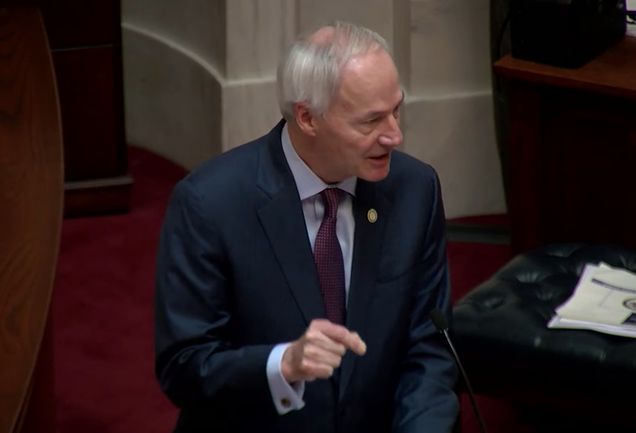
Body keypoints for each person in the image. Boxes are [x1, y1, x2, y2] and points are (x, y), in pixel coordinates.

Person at [154, 20, 459, 433]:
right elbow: (185, 366)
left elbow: (429, 348)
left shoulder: (414, 190)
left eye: (396, 109)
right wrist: (283, 364)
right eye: (371, 121)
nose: (395, 136)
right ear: (308, 117)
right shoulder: (209, 204)